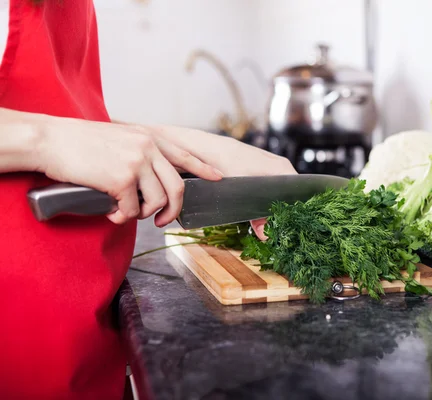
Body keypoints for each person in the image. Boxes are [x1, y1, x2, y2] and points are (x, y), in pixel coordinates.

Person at [0, 0, 296, 398]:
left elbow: (55, 115)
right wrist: (46, 141)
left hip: (82, 348)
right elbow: (47, 132)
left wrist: (200, 148)